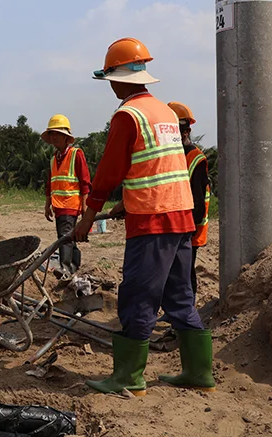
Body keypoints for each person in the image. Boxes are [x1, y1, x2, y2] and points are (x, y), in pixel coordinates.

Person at [73, 37, 215, 396]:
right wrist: (126, 203)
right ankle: (199, 374)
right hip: (181, 217)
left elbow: (107, 173)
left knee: (138, 295)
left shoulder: (128, 115)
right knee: (180, 296)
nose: (111, 89)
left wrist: (88, 218)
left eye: (110, 81)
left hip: (153, 221)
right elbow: (156, 167)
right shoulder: (166, 114)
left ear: (120, 79)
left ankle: (128, 378)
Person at [168, 102, 210, 303]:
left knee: (185, 272)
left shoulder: (195, 158)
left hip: (190, 227)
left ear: (186, 131)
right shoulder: (170, 156)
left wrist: (188, 230)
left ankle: (187, 311)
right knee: (174, 272)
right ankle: (176, 312)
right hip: (175, 225)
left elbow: (198, 201)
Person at [42, 114, 91, 275]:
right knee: (68, 236)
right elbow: (50, 184)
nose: (54, 137)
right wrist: (47, 204)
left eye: (57, 134)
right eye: (52, 134)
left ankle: (66, 267)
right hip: (58, 205)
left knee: (64, 236)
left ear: (66, 137)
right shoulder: (53, 159)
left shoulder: (76, 154)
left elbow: (85, 182)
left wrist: (85, 207)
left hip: (71, 204)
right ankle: (74, 262)